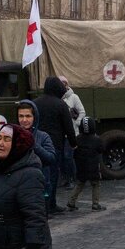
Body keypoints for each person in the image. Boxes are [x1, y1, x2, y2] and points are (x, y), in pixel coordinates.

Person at [33, 77, 77, 214]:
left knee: (38, 176)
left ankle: (41, 205)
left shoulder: (35, 103)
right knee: (52, 177)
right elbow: (68, 127)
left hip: (37, 145)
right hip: (54, 145)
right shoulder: (60, 105)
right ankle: (49, 205)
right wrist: (73, 143)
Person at [16, 101, 56, 207]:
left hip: (40, 187)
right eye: (21, 116)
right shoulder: (12, 136)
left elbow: (50, 158)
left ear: (34, 117)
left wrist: (34, 144)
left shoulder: (43, 137)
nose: (24, 120)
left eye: (28, 116)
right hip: (18, 187)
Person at [66, 117, 105, 212]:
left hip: (81, 165)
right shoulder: (97, 140)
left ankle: (71, 202)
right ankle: (95, 204)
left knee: (79, 183)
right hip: (93, 166)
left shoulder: (78, 139)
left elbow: (74, 150)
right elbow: (101, 150)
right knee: (95, 184)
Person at [59, 76, 86, 191]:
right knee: (61, 157)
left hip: (71, 133)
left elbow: (82, 112)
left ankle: (72, 179)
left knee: (68, 156)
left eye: (64, 84)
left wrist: (77, 123)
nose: (63, 86)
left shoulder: (74, 97)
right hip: (60, 133)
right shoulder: (58, 98)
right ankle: (65, 178)